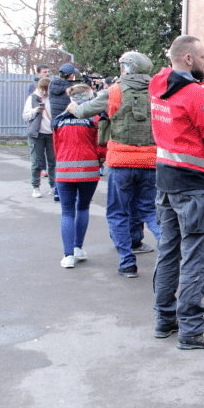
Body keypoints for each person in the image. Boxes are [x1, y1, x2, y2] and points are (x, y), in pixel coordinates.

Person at [149, 35, 204, 349]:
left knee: (168, 252)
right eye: (203, 56)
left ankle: (164, 319)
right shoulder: (196, 94)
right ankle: (192, 328)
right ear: (188, 60)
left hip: (166, 181)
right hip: (193, 186)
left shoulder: (157, 85)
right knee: (198, 256)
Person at [68, 51, 160, 278]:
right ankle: (170, 252)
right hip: (151, 161)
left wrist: (71, 107)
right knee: (150, 210)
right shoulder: (157, 91)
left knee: (118, 212)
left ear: (127, 68)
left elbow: (82, 111)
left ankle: (127, 263)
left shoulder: (114, 91)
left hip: (121, 162)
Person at [52, 83, 105, 269]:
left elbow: (56, 148)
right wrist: (100, 160)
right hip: (89, 171)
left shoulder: (59, 120)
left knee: (67, 211)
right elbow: (101, 145)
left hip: (64, 171)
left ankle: (68, 256)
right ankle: (78, 248)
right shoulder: (94, 119)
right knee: (83, 208)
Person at [24, 76, 57, 197]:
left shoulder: (54, 99)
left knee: (52, 162)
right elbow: (25, 115)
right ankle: (35, 187)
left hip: (51, 134)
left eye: (46, 89)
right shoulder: (32, 98)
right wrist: (35, 110)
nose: (44, 92)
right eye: (42, 89)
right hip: (36, 134)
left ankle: (53, 186)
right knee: (36, 162)